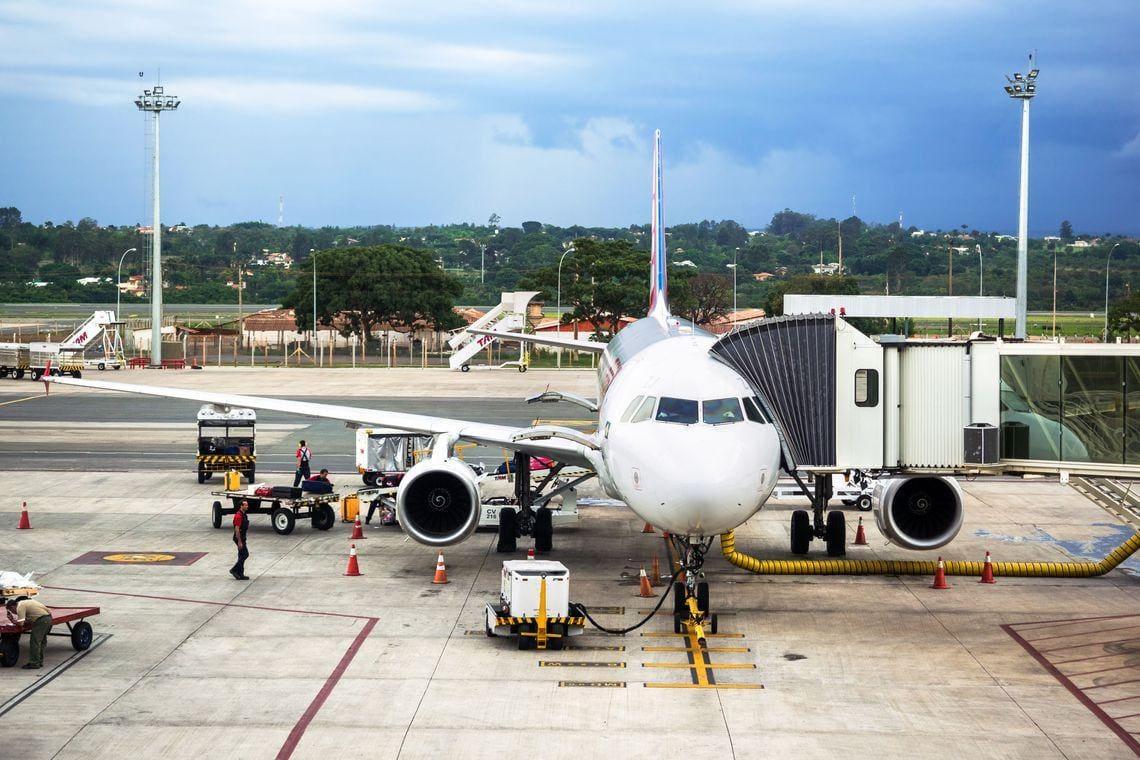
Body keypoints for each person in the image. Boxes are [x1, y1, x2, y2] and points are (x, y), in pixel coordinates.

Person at [5, 595, 52, 669]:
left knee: (35, 642)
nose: (14, 613)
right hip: (48, 618)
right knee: (41, 641)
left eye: (12, 611)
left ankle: (34, 663)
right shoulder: (24, 603)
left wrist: (12, 620)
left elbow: (21, 624)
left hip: (42, 620)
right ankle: (39, 661)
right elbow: (28, 619)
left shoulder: (20, 607)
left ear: (12, 607)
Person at [230, 499, 250, 580]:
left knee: (241, 555)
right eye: (245, 505)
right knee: (245, 554)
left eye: (247, 505)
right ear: (241, 506)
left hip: (242, 537)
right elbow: (237, 529)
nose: (247, 506)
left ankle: (240, 574)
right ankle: (234, 570)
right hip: (239, 538)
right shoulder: (238, 516)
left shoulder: (244, 514)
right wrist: (239, 542)